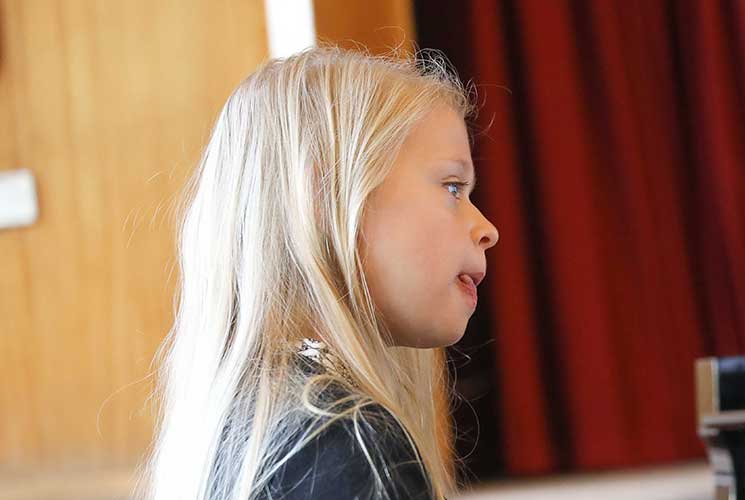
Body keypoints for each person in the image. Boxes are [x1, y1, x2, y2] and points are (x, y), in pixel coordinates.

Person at [143, 46, 499, 500]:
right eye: (453, 187)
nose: (487, 230)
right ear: (324, 192)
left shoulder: (251, 428)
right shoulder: (349, 447)